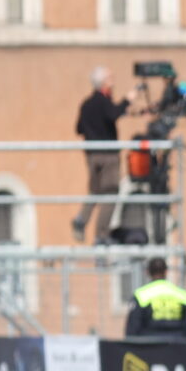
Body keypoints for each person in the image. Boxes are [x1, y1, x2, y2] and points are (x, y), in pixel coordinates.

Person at [72, 67, 128, 244]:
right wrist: (128, 100)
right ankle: (101, 236)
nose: (113, 82)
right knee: (110, 193)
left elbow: (79, 128)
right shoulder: (104, 101)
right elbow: (114, 114)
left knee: (95, 191)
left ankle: (81, 219)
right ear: (103, 83)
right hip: (108, 156)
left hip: (92, 155)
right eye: (110, 79)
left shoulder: (86, 104)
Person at [125, 259, 186, 339]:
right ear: (166, 271)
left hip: (149, 345)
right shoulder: (182, 294)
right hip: (176, 345)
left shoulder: (141, 295)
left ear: (147, 272)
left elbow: (133, 328)